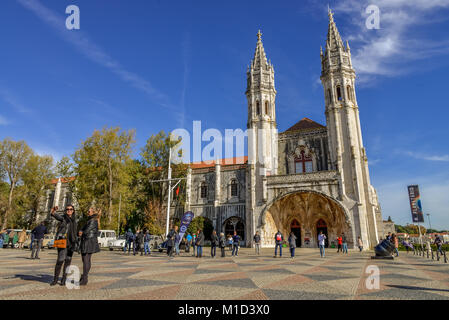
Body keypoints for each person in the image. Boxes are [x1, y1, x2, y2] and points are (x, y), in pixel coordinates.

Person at [50, 205, 78, 286]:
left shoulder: (75, 220)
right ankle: (55, 279)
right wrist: (53, 210)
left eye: (71, 209)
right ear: (65, 210)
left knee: (68, 262)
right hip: (63, 242)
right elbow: (54, 214)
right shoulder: (63, 218)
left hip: (71, 243)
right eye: (67, 209)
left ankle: (63, 279)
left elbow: (75, 231)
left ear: (73, 211)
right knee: (60, 260)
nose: (69, 210)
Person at [78, 207, 100, 286]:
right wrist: (81, 230)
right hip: (89, 241)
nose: (87, 212)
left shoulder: (93, 220)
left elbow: (86, 230)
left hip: (88, 241)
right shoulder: (90, 220)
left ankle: (84, 278)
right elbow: (84, 228)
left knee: (86, 259)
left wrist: (81, 232)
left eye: (89, 211)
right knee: (87, 259)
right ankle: (84, 277)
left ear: (93, 212)